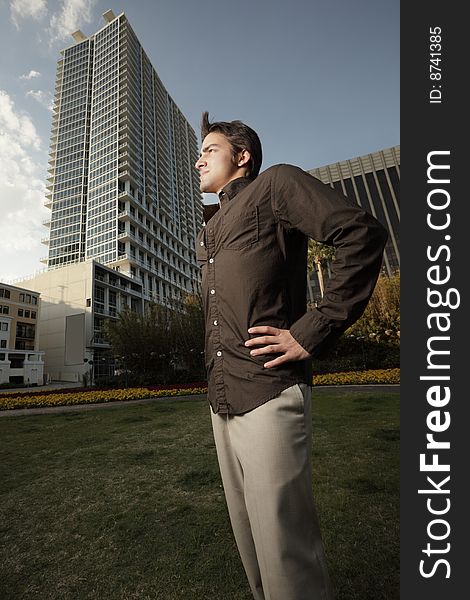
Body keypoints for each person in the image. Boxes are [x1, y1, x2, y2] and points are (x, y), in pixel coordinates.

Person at [194, 112, 388, 600]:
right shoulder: (209, 229)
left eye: (210, 150)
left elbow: (361, 234)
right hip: (223, 399)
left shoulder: (275, 184)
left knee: (286, 555)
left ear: (243, 156)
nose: (199, 161)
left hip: (269, 391)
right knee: (253, 551)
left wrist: (309, 331)